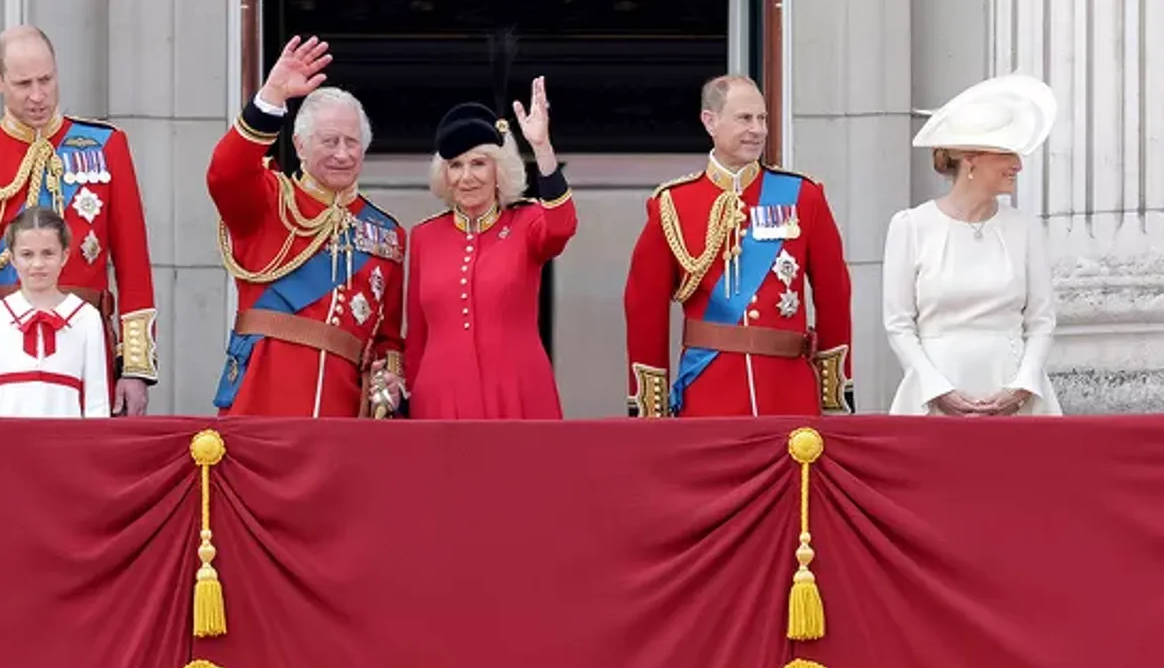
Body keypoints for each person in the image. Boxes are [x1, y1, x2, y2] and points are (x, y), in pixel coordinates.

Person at [0, 26, 157, 414]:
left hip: (87, 343)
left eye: (46, 79)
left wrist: (135, 367)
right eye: (23, 83)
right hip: (2, 343)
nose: (38, 96)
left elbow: (133, 263)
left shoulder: (107, 146)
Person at [622, 75, 853, 418]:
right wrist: (651, 411)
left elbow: (834, 297)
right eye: (745, 118)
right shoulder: (673, 204)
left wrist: (832, 397)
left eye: (762, 119)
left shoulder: (804, 196)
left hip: (788, 394)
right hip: (708, 394)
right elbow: (644, 309)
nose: (757, 130)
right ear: (709, 121)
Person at [207, 36, 406, 418]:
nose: (343, 154)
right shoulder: (267, 201)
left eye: (353, 142)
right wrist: (271, 96)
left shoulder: (387, 234)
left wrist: (390, 382)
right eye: (330, 141)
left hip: (343, 410)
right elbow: (225, 173)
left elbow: (387, 338)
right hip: (262, 399)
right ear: (299, 145)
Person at [886, 74, 1060, 416]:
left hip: (1015, 396)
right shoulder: (911, 226)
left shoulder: (1024, 229)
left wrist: (1023, 386)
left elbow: (1042, 321)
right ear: (971, 159)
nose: (1018, 165)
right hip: (933, 396)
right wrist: (936, 389)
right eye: (1007, 153)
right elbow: (899, 324)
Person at [402, 78, 576, 418]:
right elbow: (417, 335)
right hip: (440, 398)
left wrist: (542, 148)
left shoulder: (525, 224)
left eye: (478, 163)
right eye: (455, 165)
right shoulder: (425, 236)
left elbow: (562, 226)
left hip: (517, 391)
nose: (466, 177)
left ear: (499, 170)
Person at [0, 207, 112, 418]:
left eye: (48, 253)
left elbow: (97, 402)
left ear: (64, 256)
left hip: (66, 444)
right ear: (13, 259)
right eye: (27, 254)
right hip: (5, 445)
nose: (38, 264)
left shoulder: (86, 318)